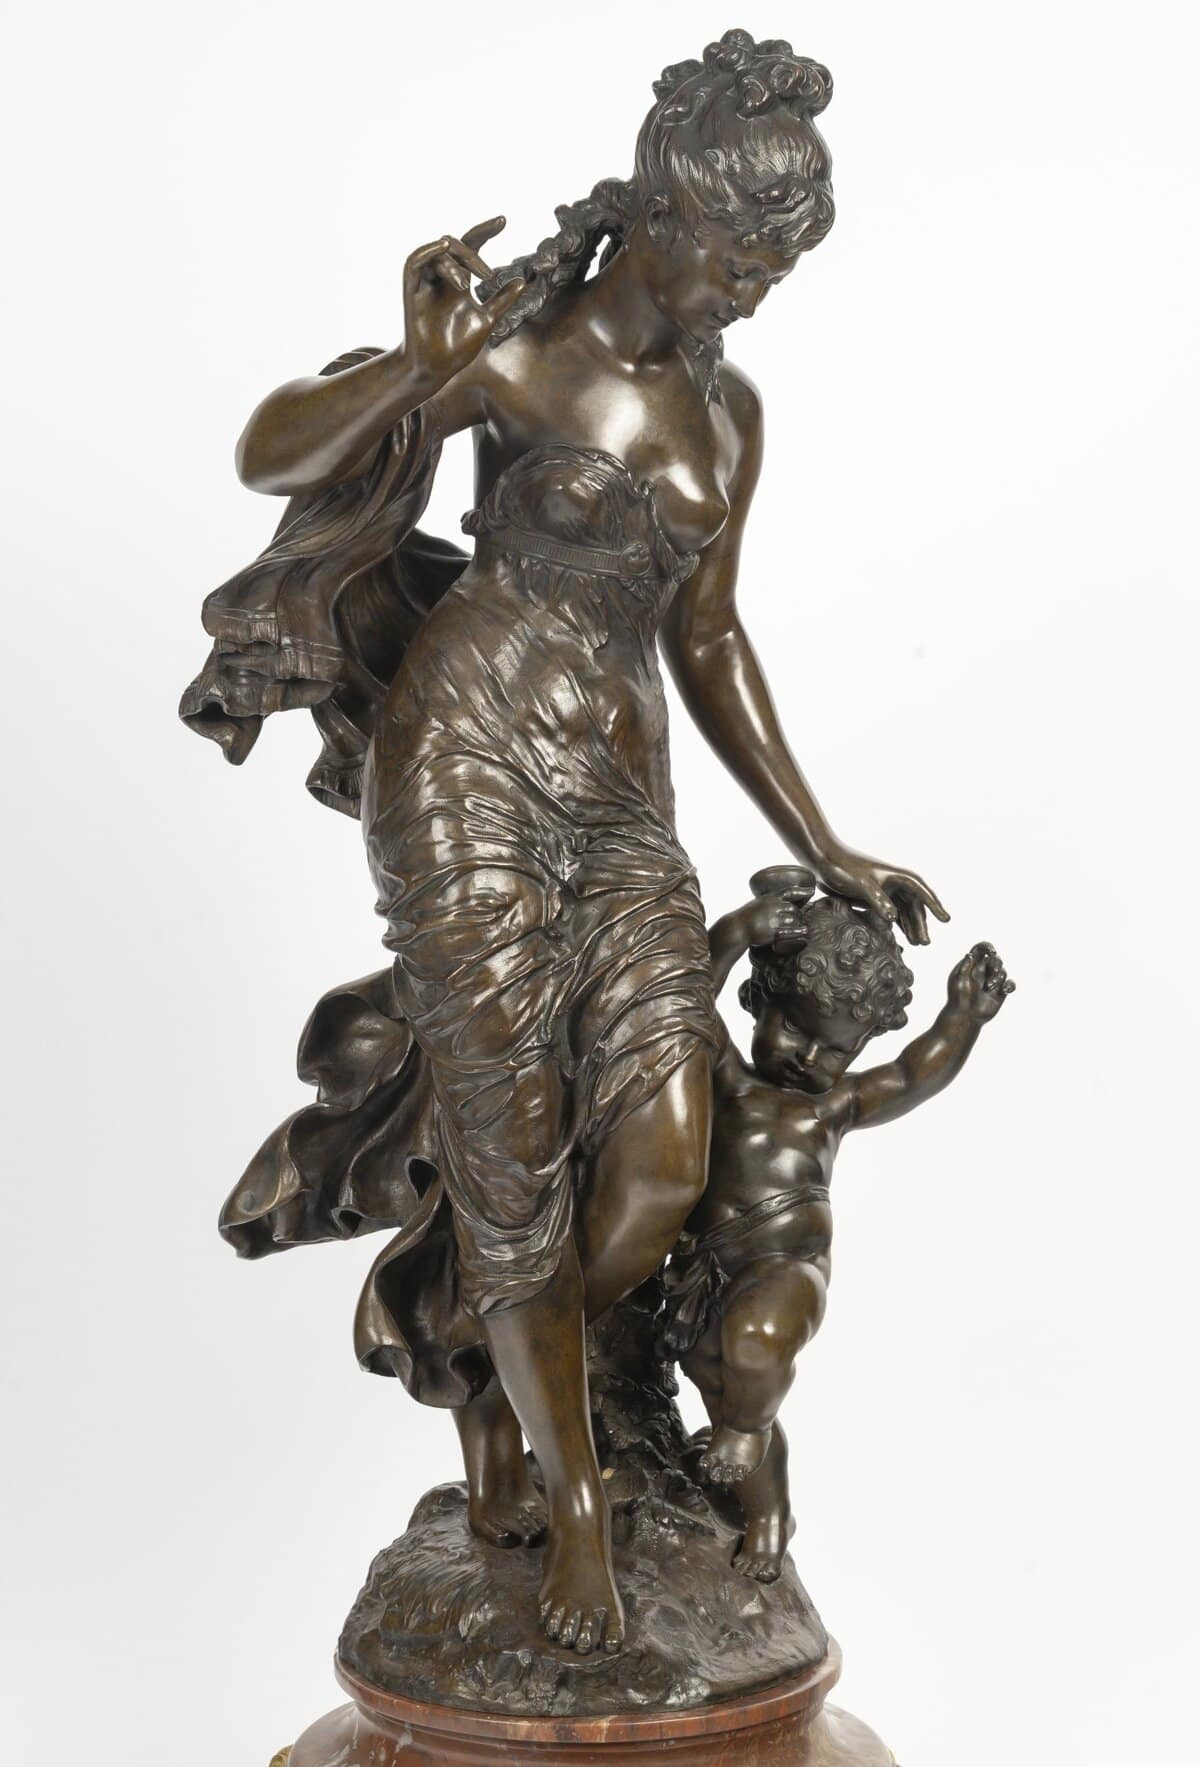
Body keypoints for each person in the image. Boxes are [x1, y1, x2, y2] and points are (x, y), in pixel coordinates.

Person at [183, 32, 946, 1656]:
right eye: (741, 256)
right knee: (515, 1142)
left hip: (617, 796)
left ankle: (490, 1355)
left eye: (779, 269)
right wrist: (414, 365)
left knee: (661, 1154)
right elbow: (271, 454)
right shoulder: (515, 349)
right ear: (666, 210)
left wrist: (823, 838)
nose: (753, 295)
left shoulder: (729, 413)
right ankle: (576, 1500)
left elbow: (709, 638)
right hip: (460, 765)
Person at [661, 870, 1013, 1583]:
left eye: (836, 1050)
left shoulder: (833, 1106)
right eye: (795, 1028)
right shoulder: (725, 1075)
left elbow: (911, 1074)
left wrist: (963, 1019)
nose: (810, 1057)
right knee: (719, 1380)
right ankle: (768, 1511)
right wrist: (740, 929)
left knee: (758, 1346)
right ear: (759, 1000)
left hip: (788, 1266)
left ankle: (745, 1433)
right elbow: (688, 995)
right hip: (707, 1267)